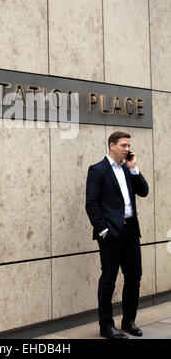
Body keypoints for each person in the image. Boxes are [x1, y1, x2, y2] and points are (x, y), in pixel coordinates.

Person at [85, 131, 149, 339]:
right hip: (110, 233)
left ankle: (128, 320)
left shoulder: (128, 169)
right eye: (123, 145)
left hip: (131, 230)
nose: (128, 149)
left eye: (129, 145)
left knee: (134, 277)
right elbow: (91, 204)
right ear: (112, 145)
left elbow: (144, 191)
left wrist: (134, 168)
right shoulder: (98, 170)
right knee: (109, 278)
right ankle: (106, 326)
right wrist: (103, 230)